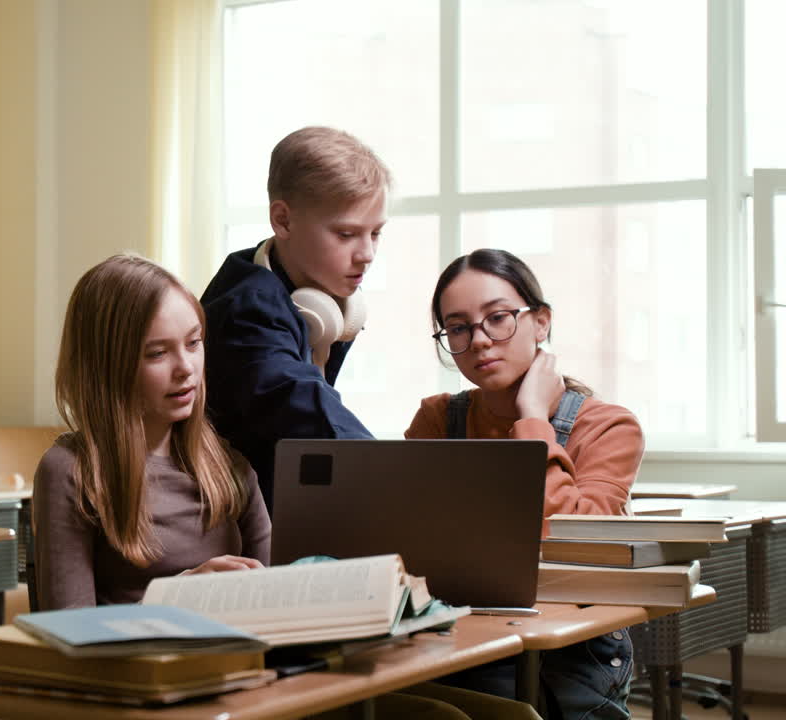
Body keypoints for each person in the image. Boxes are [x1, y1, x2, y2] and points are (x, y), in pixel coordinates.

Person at [406, 248, 644, 718]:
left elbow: (574, 543)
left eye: (498, 318)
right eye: (458, 327)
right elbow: (411, 542)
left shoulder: (608, 426)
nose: (479, 341)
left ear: (540, 322)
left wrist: (533, 417)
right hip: (457, 632)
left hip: (571, 647)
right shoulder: (437, 419)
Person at [32, 254, 271, 610]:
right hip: (134, 664)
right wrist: (180, 596)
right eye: (158, 353)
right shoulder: (70, 471)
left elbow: (275, 592)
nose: (186, 368)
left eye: (194, 343)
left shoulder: (228, 465)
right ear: (108, 367)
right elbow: (68, 629)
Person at [200, 126, 387, 513]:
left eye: (376, 233)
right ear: (283, 221)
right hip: (232, 528)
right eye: (347, 233)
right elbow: (306, 407)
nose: (367, 253)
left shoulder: (317, 299)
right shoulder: (245, 310)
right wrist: (402, 477)